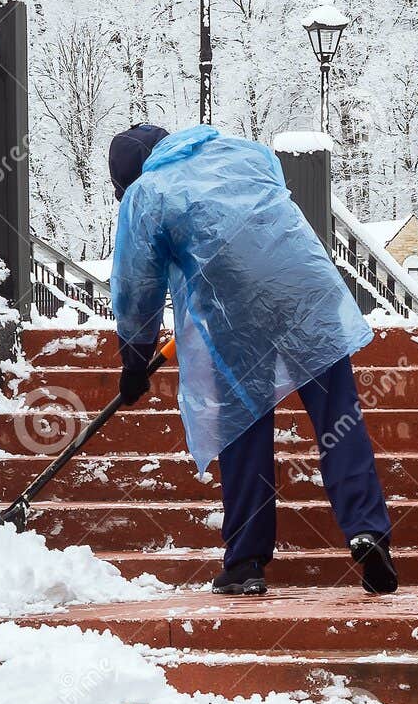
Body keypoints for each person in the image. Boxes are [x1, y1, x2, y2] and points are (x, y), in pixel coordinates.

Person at [108, 123, 398, 598]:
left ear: (128, 178)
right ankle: (368, 531)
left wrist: (134, 361)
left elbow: (137, 288)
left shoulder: (147, 193)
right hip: (308, 293)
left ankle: (245, 562)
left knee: (243, 426)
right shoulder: (246, 152)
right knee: (338, 419)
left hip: (237, 311)